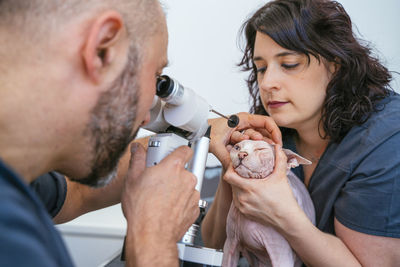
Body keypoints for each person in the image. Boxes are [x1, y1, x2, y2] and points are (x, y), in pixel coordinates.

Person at [0, 0, 283, 266]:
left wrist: (201, 133)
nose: (147, 116)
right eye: (155, 77)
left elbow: (75, 192)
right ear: (102, 50)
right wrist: (153, 236)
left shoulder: (19, 177)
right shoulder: (13, 237)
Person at [203, 0, 400, 266]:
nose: (268, 82)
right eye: (261, 68)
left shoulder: (386, 139)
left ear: (336, 64)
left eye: (290, 64)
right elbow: (214, 241)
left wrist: (283, 215)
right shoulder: (271, 132)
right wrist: (232, 169)